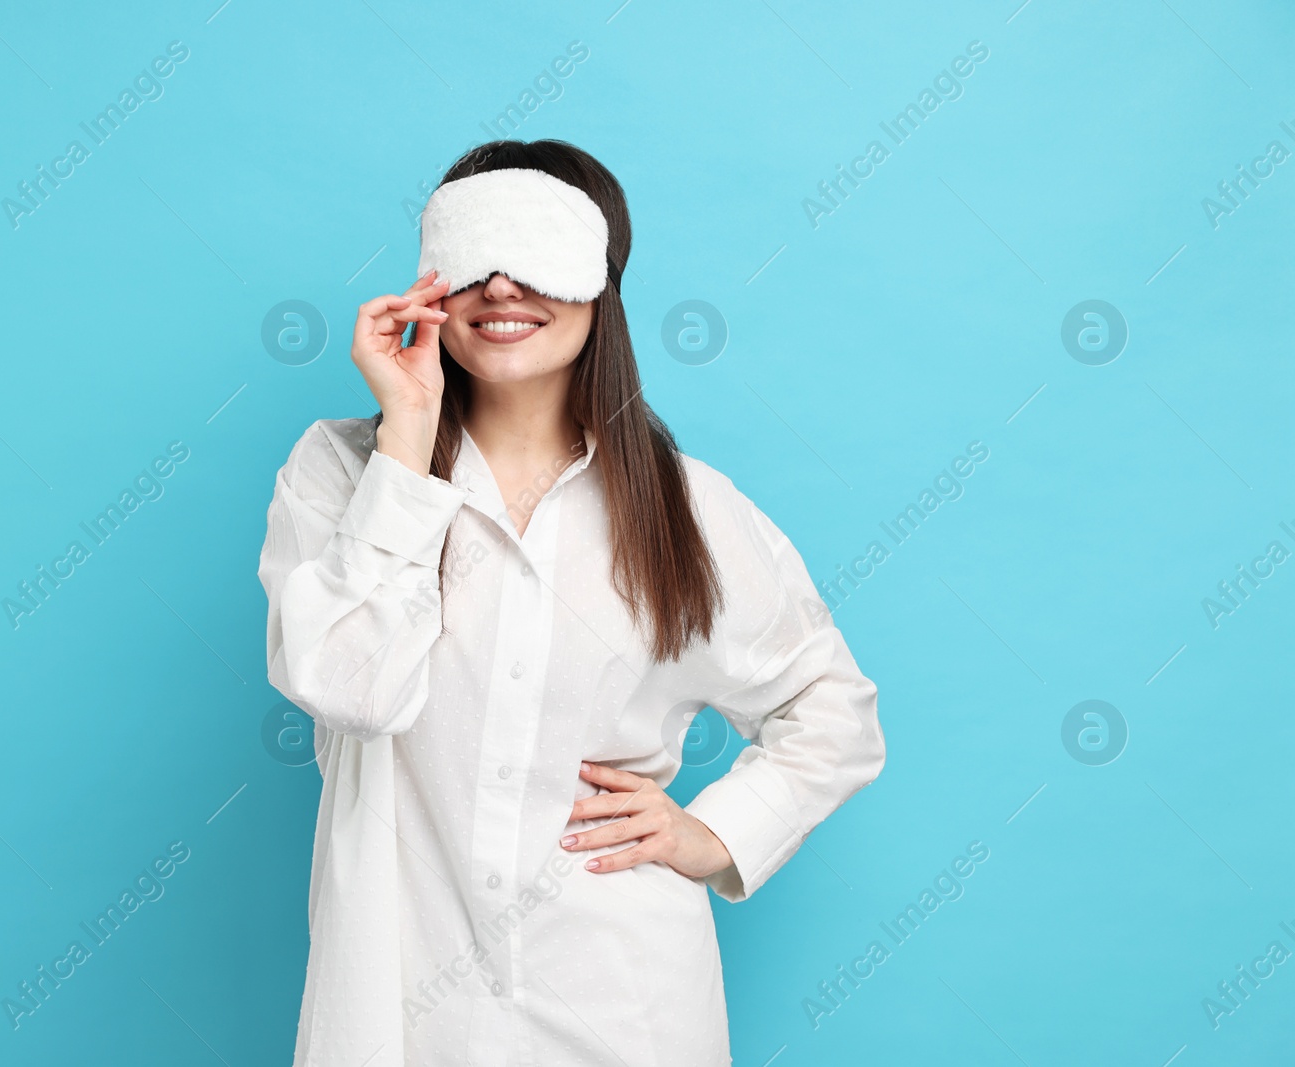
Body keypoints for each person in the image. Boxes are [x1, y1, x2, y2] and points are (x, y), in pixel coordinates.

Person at [257, 138, 886, 1067]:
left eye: (538, 256)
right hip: (397, 1006)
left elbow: (833, 712)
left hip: (624, 1003)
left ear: (600, 282)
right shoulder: (343, 472)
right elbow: (355, 690)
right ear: (433, 282)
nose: (504, 287)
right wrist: (409, 438)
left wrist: (712, 833)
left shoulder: (688, 507)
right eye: (475, 259)